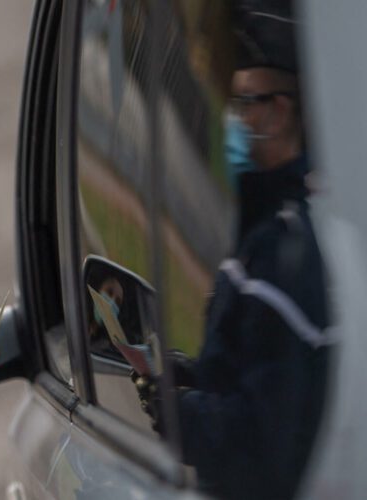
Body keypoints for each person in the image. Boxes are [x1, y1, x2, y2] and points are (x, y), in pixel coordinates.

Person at [133, 2, 331, 498]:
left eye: (245, 105)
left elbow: (258, 443)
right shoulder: (279, 229)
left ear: (280, 113)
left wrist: (176, 412)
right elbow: (268, 369)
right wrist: (192, 374)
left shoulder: (283, 254)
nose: (235, 122)